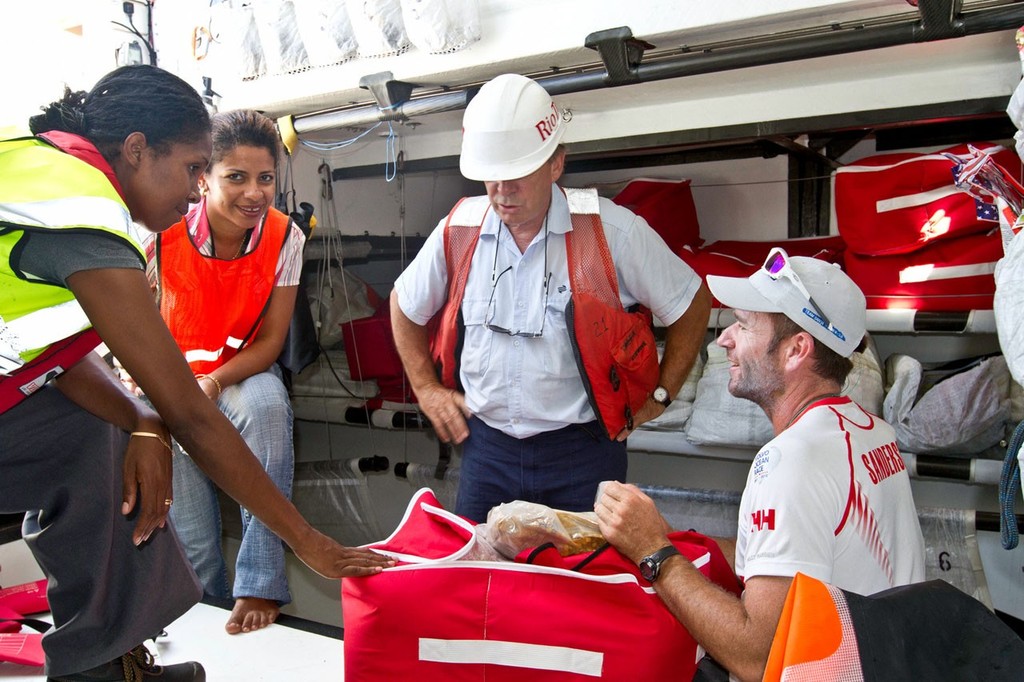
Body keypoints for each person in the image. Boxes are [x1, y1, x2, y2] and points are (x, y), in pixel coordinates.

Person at [0, 65, 390, 682]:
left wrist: (143, 420)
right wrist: (308, 541)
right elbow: (190, 413)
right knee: (99, 438)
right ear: (136, 151)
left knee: (101, 432)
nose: (194, 188)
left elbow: (62, 355)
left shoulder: (39, 162)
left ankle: (103, 666)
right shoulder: (83, 214)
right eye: (191, 169)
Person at [390, 73, 712, 522]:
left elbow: (692, 300)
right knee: (485, 587)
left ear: (556, 163)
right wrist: (426, 389)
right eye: (492, 176)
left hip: (583, 456)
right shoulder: (459, 229)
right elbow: (404, 305)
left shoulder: (610, 231)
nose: (502, 192)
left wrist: (661, 395)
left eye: (517, 174)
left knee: (582, 588)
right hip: (487, 455)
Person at [595, 248, 925, 682]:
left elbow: (757, 657)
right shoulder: (871, 430)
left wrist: (653, 552)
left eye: (744, 325)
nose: (723, 340)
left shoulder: (790, 461)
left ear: (796, 349)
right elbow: (800, 557)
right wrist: (675, 539)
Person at [123, 110, 302, 635]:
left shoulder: (285, 237)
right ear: (203, 178)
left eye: (265, 178)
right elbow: (132, 331)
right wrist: (165, 392)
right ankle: (202, 602)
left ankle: (261, 584)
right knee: (195, 545)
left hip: (236, 379)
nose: (254, 193)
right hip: (168, 386)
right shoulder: (158, 235)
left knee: (268, 404)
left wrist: (215, 381)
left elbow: (270, 342)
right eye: (236, 177)